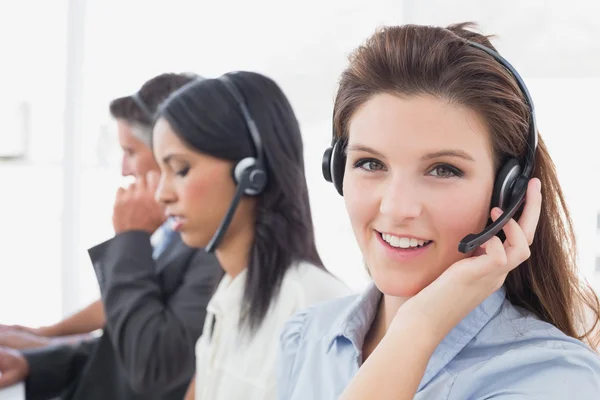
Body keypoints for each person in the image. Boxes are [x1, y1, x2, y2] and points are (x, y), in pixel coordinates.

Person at [278, 22, 600, 399]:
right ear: (336, 168)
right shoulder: (307, 337)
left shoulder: (552, 378)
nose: (397, 208)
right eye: (370, 163)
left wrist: (419, 326)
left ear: (507, 192)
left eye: (443, 169)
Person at [0, 73, 223, 400]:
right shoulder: (178, 238)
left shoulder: (210, 251)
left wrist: (131, 239)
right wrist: (36, 352)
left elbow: (151, 366)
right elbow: (120, 336)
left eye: (130, 151)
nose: (123, 168)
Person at [151, 71, 351, 400]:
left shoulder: (313, 305)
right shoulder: (228, 296)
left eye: (181, 169)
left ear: (252, 174)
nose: (162, 194)